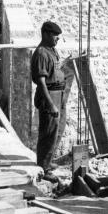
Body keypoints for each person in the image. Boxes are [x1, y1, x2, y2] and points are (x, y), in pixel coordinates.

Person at [31, 21, 64, 183]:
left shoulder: (52, 51)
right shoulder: (41, 53)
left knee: (55, 131)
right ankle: (44, 168)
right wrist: (50, 103)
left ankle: (48, 161)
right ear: (45, 34)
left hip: (57, 92)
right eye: (54, 35)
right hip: (48, 94)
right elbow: (41, 81)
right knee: (48, 132)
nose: (57, 38)